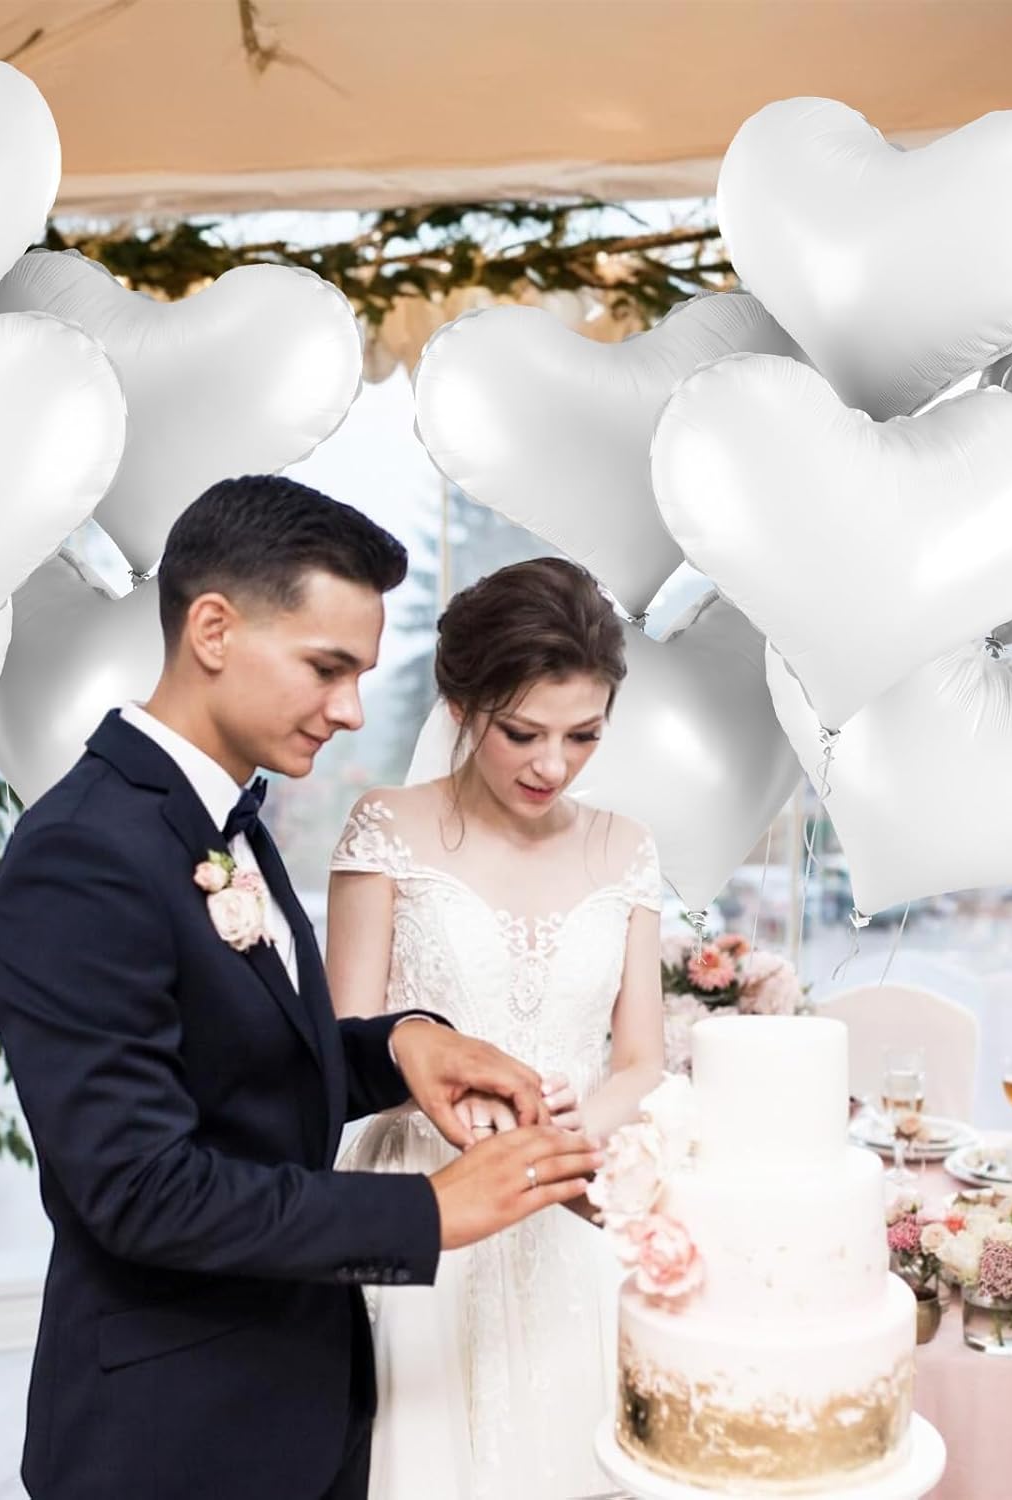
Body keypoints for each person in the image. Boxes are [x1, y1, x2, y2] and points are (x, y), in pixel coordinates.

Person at [0, 478, 603, 1500]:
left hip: (306, 1393)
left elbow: (250, 1064)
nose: (351, 710)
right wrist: (427, 1212)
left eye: (359, 675)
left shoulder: (226, 817)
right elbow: (141, 1190)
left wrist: (400, 1043)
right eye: (327, 668)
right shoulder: (80, 854)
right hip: (174, 1437)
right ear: (213, 629)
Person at [326, 556, 666, 1500]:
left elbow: (641, 1060)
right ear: (463, 707)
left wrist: (568, 1138)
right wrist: (452, 1106)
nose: (552, 765)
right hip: (425, 1198)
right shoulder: (385, 828)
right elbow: (346, 1041)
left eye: (583, 736)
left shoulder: (626, 849)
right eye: (523, 732)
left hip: (570, 1209)